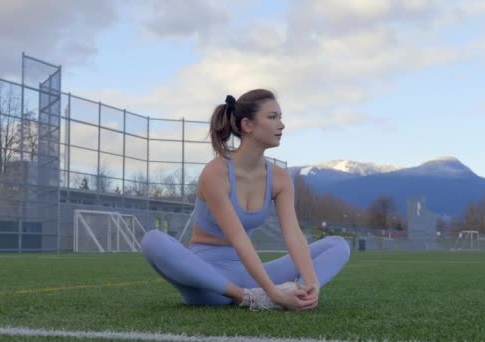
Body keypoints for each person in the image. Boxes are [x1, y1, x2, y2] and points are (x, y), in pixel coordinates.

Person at [141, 89, 350, 310]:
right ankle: (250, 298)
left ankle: (295, 294)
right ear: (247, 125)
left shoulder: (280, 178)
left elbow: (293, 235)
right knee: (153, 241)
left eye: (280, 117)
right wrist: (270, 293)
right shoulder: (216, 173)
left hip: (251, 273)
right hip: (210, 281)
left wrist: (311, 283)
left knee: (338, 245)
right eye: (272, 117)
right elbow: (239, 239)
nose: (281, 124)